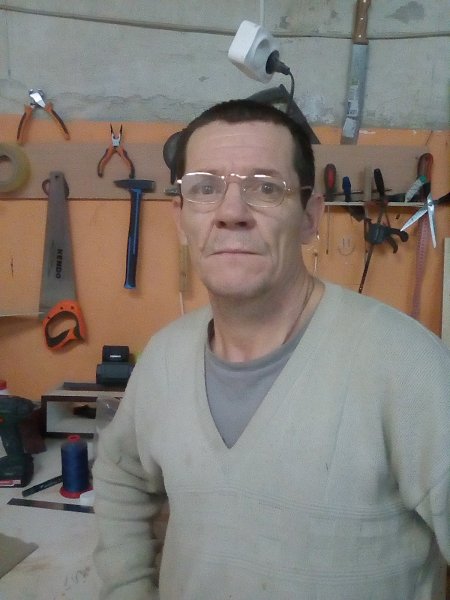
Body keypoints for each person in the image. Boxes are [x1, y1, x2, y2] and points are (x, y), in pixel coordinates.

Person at [93, 99, 450, 600]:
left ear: (309, 217)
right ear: (180, 217)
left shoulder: (409, 368)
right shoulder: (163, 359)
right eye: (205, 188)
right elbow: (121, 474)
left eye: (265, 188)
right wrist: (127, 588)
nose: (231, 213)